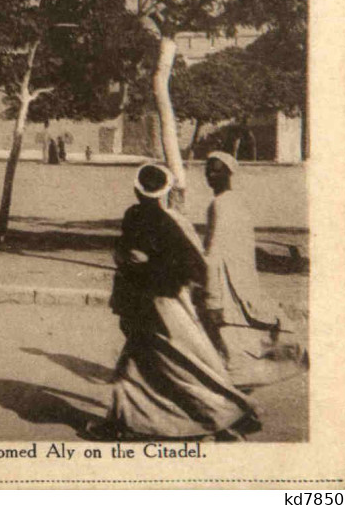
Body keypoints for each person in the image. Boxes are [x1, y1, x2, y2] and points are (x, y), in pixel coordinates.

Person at [86, 163, 260, 441]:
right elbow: (193, 267)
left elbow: (182, 266)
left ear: (136, 188)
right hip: (155, 305)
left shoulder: (145, 218)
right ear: (166, 191)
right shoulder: (163, 220)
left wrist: (141, 263)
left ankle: (123, 424)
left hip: (154, 306)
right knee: (176, 365)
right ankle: (224, 417)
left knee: (153, 368)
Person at [203, 151, 306, 386]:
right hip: (241, 284)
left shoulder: (221, 204)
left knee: (230, 350)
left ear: (230, 174)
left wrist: (213, 296)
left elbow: (215, 252)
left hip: (227, 286)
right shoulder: (236, 201)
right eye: (208, 169)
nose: (210, 174)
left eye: (217, 169)